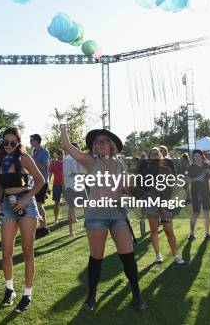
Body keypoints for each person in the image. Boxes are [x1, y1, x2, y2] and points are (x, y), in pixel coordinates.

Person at [60, 125, 146, 312]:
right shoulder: (90, 161)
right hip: (96, 213)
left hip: (117, 212)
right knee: (96, 257)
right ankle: (91, 296)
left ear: (111, 145)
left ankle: (137, 293)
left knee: (127, 254)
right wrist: (63, 127)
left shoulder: (119, 164)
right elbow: (67, 146)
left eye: (104, 141)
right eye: (97, 141)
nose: (100, 143)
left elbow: (125, 188)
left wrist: (141, 194)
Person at [0, 127, 45, 313]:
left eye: (12, 143)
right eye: (5, 142)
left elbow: (40, 181)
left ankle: (27, 293)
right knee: (6, 252)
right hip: (7, 204)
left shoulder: (24, 158)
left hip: (26, 203)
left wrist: (25, 199)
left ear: (18, 143)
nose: (8, 146)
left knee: (27, 251)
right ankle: (10, 289)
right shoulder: (0, 158)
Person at [139, 147, 184, 265]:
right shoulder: (146, 172)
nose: (155, 156)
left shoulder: (167, 170)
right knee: (154, 230)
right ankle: (158, 255)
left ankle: (175, 255)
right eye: (152, 154)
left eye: (157, 154)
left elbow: (170, 189)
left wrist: (162, 203)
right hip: (150, 203)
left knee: (169, 231)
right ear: (150, 157)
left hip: (165, 204)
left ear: (161, 156)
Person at [187, 150, 210, 241]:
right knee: (196, 212)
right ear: (193, 157)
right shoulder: (191, 167)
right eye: (195, 156)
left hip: (206, 192)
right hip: (195, 192)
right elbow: (187, 180)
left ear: (202, 156)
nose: (197, 157)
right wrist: (197, 178)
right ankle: (191, 234)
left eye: (199, 155)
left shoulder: (206, 165)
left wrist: (208, 172)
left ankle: (207, 234)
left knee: (206, 212)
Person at [30, 133, 50, 238]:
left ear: (37, 141)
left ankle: (44, 227)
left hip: (42, 182)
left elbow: (43, 167)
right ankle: (42, 226)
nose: (30, 142)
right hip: (34, 182)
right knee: (37, 205)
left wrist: (32, 159)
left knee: (38, 205)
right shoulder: (33, 151)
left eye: (32, 140)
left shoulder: (44, 152)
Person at [62, 143, 86, 236]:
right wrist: (78, 174)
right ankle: (70, 230)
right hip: (71, 187)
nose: (79, 150)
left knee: (86, 207)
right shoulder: (67, 159)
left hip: (81, 186)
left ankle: (86, 226)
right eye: (77, 148)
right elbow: (66, 172)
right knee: (71, 208)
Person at [48, 150, 64, 225]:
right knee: (56, 203)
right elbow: (50, 175)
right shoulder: (53, 164)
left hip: (66, 185)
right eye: (59, 154)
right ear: (57, 155)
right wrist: (47, 184)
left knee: (70, 202)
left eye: (62, 154)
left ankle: (72, 217)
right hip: (56, 185)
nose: (61, 155)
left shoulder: (67, 163)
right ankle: (56, 218)